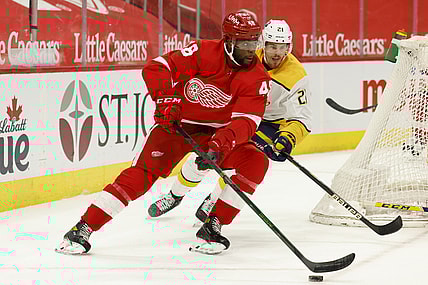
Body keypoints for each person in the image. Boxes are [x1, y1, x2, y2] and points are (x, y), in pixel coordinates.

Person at [55, 11, 272, 255]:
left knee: (255, 161)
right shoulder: (202, 52)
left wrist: (220, 143)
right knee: (141, 176)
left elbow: (247, 121)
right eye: (244, 43)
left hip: (219, 132)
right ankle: (83, 228)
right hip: (177, 126)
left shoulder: (257, 76)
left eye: (254, 42)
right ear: (229, 41)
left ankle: (213, 225)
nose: (250, 50)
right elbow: (157, 68)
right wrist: (165, 98)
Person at [148, 19, 312, 232]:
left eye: (283, 47)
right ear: (263, 43)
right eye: (272, 45)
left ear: (289, 48)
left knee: (241, 166)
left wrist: (288, 137)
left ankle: (214, 201)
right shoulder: (246, 57)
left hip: (269, 124)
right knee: (204, 158)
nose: (277, 53)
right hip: (236, 115)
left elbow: (302, 118)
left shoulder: (297, 75)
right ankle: (174, 195)